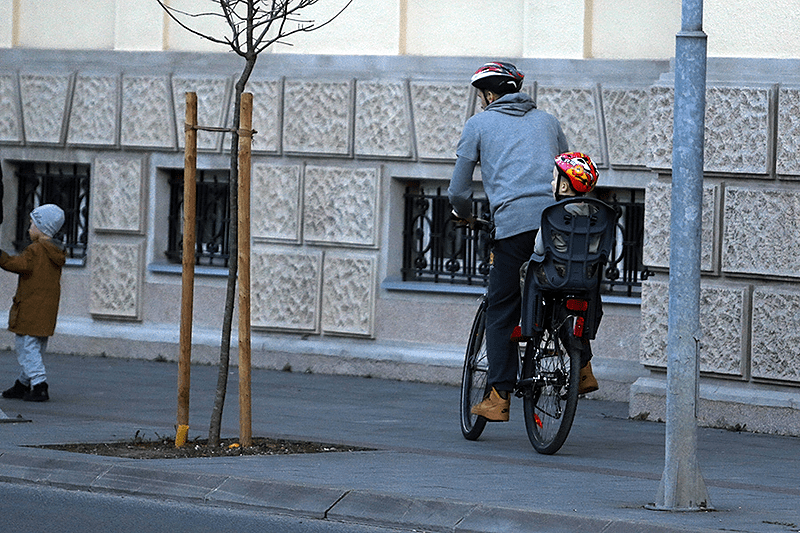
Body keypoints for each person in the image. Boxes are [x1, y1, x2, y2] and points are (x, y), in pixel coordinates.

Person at [448, 61, 569, 422]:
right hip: (556, 224)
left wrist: (464, 213)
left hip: (514, 226)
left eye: (482, 95)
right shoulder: (548, 121)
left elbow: (458, 190)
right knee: (560, 288)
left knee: (501, 309)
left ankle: (499, 396)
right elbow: (567, 167)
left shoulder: (478, 125)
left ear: (488, 94)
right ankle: (582, 368)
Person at [527, 152, 604, 395]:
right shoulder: (597, 213)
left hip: (555, 275)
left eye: (554, 179)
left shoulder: (553, 213)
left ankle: (531, 324)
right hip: (585, 278)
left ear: (563, 185)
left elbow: (539, 248)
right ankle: (584, 362)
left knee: (526, 272)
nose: (552, 184)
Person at [1, 204, 66, 402]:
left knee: (26, 349)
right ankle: (22, 384)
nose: (29, 229)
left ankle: (39, 385)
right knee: (35, 350)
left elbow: (18, 265)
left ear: (41, 227)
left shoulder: (36, 250)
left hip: (30, 308)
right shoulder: (55, 251)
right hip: (47, 310)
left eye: (32, 224)